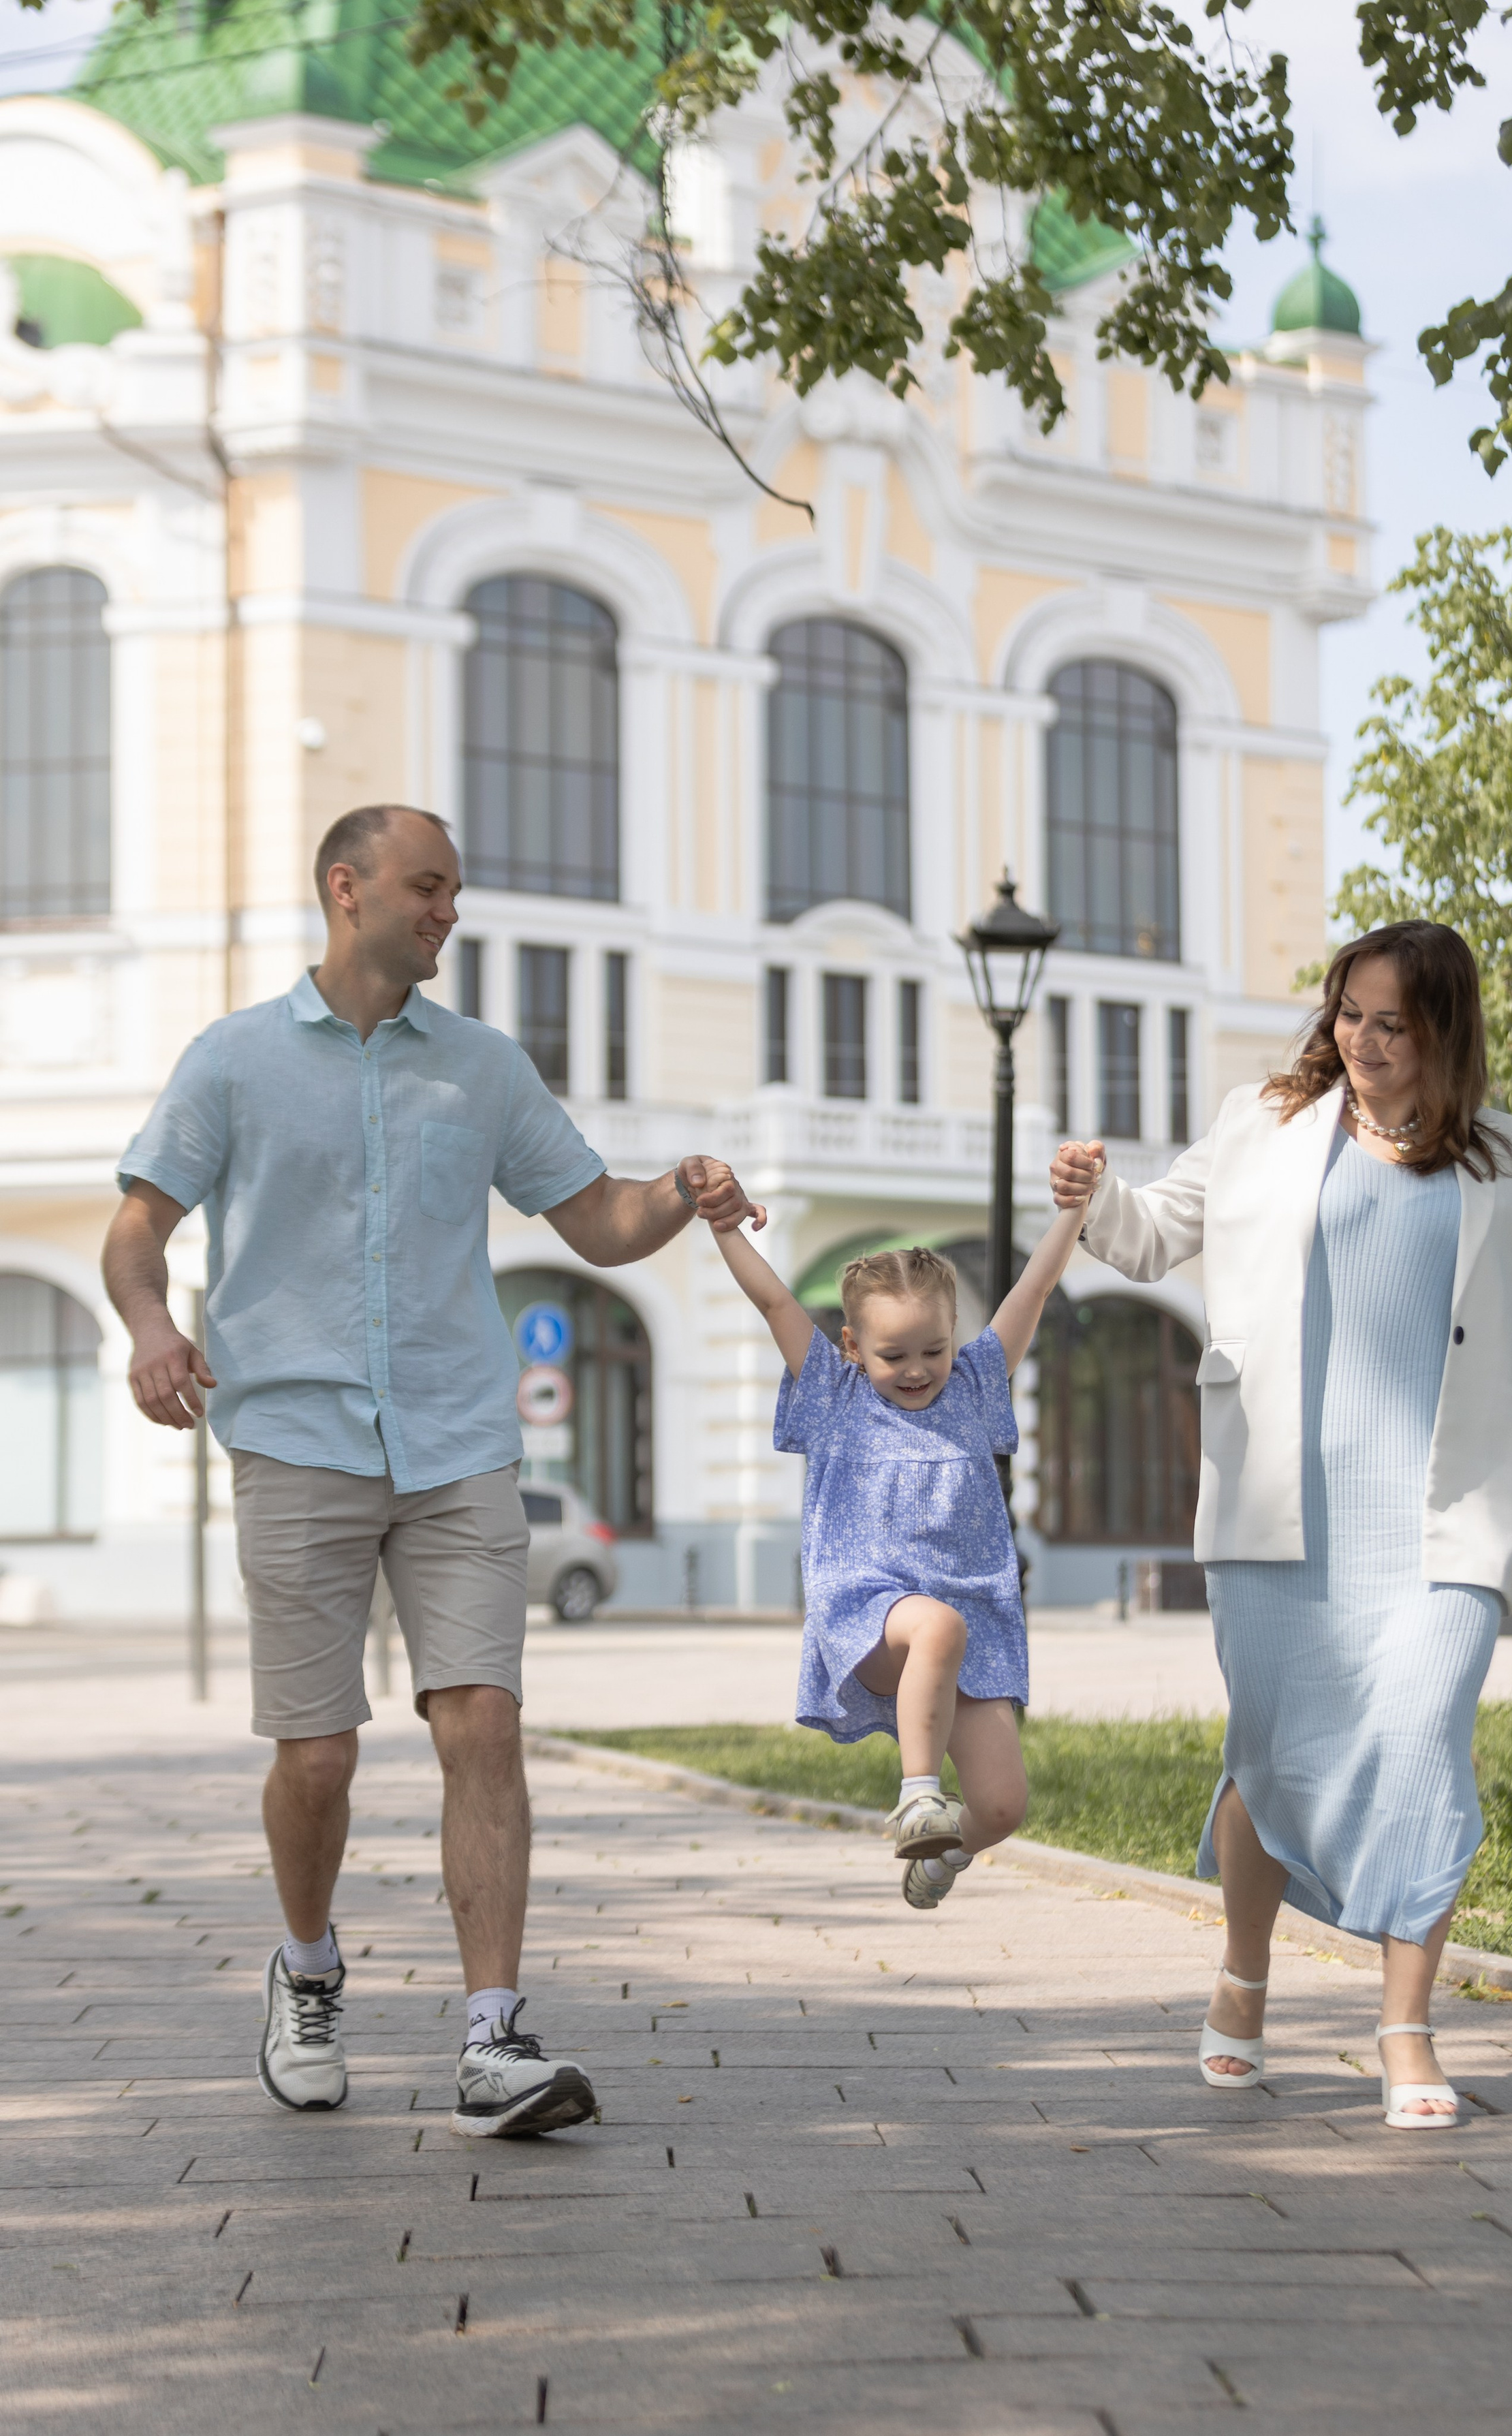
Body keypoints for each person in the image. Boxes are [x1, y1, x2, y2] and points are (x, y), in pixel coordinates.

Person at [103, 802, 757, 2138]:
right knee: (319, 1753)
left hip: (459, 1441)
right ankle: (305, 1971)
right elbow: (137, 1230)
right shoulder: (230, 1062)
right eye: (426, 888)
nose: (447, 912)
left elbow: (593, 1220)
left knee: (484, 1726)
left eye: (452, 891)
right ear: (347, 891)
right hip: (292, 1438)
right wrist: (155, 1326)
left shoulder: (482, 1069)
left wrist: (678, 1188)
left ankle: (491, 2039)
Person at [1052, 920, 1512, 2127]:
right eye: (1348, 1014)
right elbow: (1154, 1231)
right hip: (1281, 1503)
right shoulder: (1261, 1124)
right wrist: (1093, 1196)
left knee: (1424, 1742)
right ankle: (1243, 1975)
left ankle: (1405, 2030)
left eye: (1391, 1024)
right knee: (1271, 1755)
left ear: (1443, 1036)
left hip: (1445, 1514)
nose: (1360, 1041)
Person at [710, 1202, 1091, 1907]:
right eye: (893, 1355)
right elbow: (772, 1300)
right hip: (867, 1605)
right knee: (934, 1626)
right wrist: (722, 1225)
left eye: (932, 1351)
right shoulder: (832, 1391)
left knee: (1004, 1806)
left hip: (973, 1612)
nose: (917, 1370)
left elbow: (1031, 1290)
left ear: (956, 1339)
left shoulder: (975, 1386)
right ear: (853, 1346)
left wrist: (1073, 1211)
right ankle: (918, 1798)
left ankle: (940, 1855)